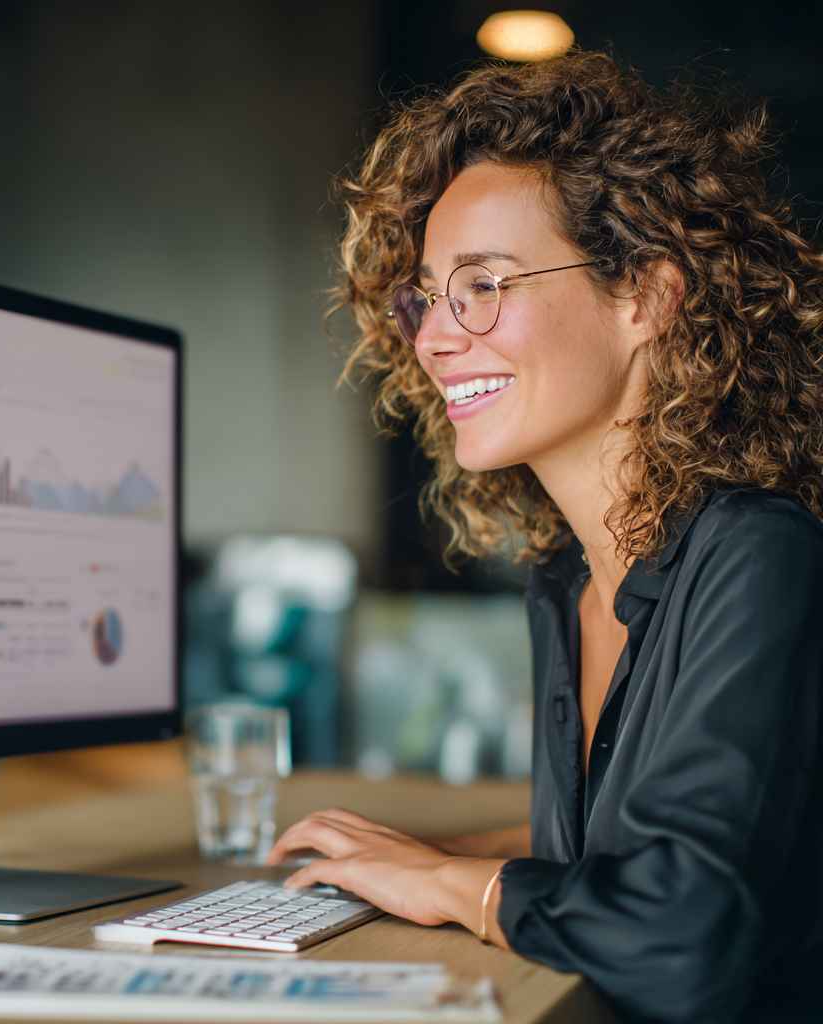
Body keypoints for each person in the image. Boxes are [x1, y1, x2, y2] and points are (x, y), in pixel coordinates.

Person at [265, 50, 823, 1023]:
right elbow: (612, 848)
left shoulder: (759, 552)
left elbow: (679, 933)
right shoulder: (567, 580)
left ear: (644, 297)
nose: (433, 336)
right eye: (425, 297)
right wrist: (402, 856)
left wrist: (449, 882)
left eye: (482, 285)